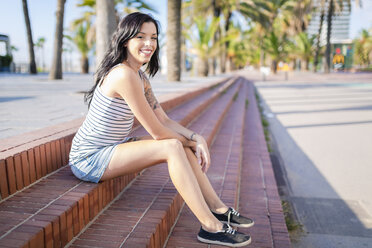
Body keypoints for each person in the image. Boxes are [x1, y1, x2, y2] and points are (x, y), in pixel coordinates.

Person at [69, 12, 254, 247]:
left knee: (180, 146)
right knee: (172, 146)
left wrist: (197, 138)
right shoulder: (124, 75)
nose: (149, 44)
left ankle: (219, 209)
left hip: (112, 147)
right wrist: (190, 142)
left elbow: (164, 120)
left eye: (154, 37)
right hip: (89, 158)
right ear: (125, 40)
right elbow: (157, 132)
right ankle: (211, 227)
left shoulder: (139, 76)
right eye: (141, 37)